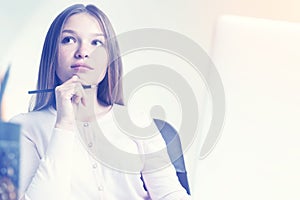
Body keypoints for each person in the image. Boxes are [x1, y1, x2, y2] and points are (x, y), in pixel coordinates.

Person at [10, 4, 191, 200]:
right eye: (68, 40)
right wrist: (64, 125)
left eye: (96, 43)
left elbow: (170, 193)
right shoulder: (23, 128)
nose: (83, 52)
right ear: (52, 54)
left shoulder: (138, 123)